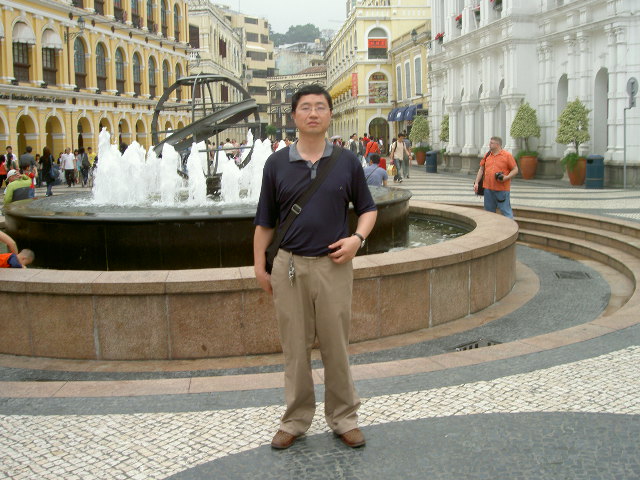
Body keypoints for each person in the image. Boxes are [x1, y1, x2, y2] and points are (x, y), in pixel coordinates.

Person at [253, 84, 377, 450]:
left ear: (329, 115)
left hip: (333, 266)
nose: (312, 113)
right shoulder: (276, 163)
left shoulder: (346, 161)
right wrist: (259, 266)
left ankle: (344, 418)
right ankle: (295, 420)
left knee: (336, 346)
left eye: (320, 107)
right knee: (294, 348)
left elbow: (368, 209)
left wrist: (357, 239)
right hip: (288, 266)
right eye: (305, 107)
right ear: (294, 116)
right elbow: (264, 221)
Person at [474, 136, 518, 219]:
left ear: (497, 145)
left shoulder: (507, 155)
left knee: (506, 212)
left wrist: (506, 177)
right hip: (488, 189)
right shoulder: (487, 155)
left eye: (491, 143)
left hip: (502, 189)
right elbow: (481, 169)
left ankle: (510, 226)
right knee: (488, 212)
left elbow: (515, 169)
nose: (489, 144)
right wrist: (476, 183)